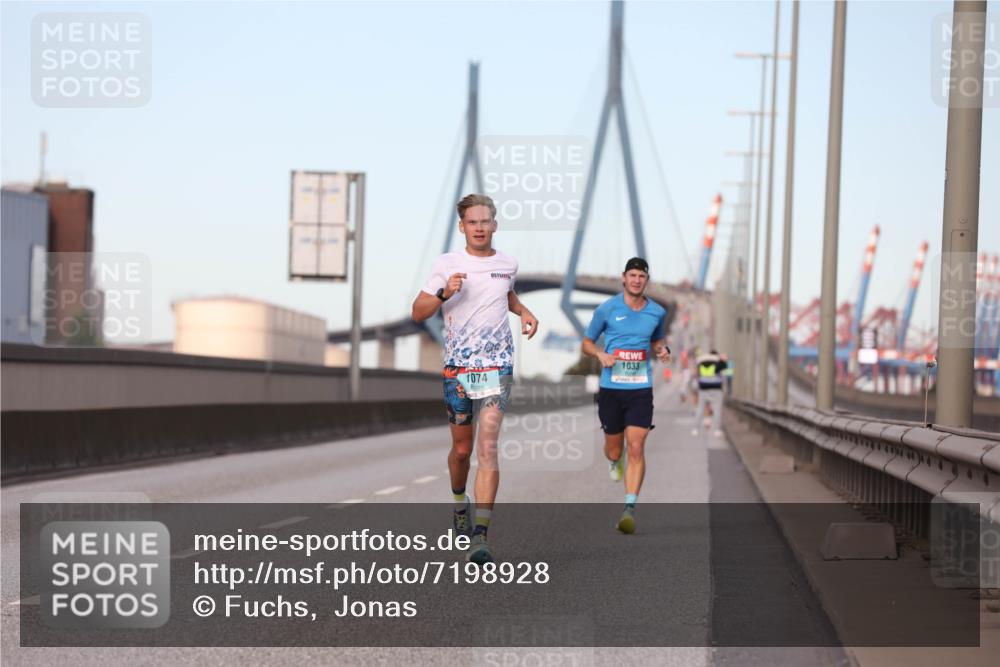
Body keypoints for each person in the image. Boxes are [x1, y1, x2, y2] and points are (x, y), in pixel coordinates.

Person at [411, 194, 538, 564]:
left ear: (494, 225)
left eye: (485, 221)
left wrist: (524, 311)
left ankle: (481, 536)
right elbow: (418, 312)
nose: (479, 228)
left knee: (487, 448)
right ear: (462, 226)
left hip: (498, 366)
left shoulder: (508, 263)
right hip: (458, 369)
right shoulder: (446, 264)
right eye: (472, 222)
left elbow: (505, 294)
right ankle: (458, 502)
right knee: (462, 451)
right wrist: (443, 293)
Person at [581, 257, 670, 534]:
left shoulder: (657, 312)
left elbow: (657, 339)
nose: (636, 280)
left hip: (640, 389)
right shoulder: (607, 309)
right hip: (611, 389)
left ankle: (629, 508)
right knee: (615, 449)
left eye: (641, 276)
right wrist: (600, 354)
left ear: (646, 280)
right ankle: (613, 461)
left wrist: (662, 350)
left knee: (636, 446)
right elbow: (586, 343)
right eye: (632, 275)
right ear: (624, 278)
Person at [692, 349, 727, 437]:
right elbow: (725, 369)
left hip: (703, 388)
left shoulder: (701, 361)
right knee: (717, 410)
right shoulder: (718, 361)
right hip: (716, 389)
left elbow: (697, 374)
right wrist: (723, 359)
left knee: (700, 409)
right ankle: (717, 430)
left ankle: (695, 429)